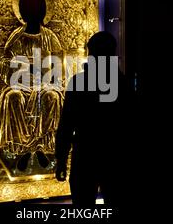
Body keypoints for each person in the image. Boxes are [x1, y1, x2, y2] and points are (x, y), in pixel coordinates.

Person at [54, 31, 132, 206]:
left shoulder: (79, 82)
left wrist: (61, 159)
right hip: (114, 155)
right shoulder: (122, 83)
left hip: (86, 154)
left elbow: (66, 124)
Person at [0, 0, 64, 169]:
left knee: (52, 97)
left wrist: (46, 73)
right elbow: (4, 64)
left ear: (43, 12)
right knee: (13, 97)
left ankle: (42, 147)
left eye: (37, 10)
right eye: (29, 10)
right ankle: (23, 149)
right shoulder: (16, 37)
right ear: (23, 13)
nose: (34, 14)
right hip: (20, 84)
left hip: (45, 84)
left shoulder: (50, 37)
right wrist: (20, 67)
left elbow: (59, 66)